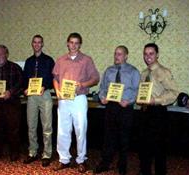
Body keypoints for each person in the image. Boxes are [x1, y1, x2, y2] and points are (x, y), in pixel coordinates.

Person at [52, 32, 99, 173]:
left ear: (80, 44)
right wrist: (58, 92)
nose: (73, 45)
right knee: (62, 130)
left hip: (79, 99)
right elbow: (55, 78)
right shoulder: (60, 60)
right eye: (71, 42)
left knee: (80, 130)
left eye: (76, 43)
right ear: (67, 43)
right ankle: (64, 159)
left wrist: (82, 84)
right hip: (63, 99)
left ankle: (81, 159)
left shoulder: (86, 60)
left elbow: (95, 78)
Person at [94, 45, 140, 175]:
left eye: (119, 54)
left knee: (124, 138)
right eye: (115, 54)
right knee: (108, 137)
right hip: (111, 107)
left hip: (125, 108)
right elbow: (103, 87)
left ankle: (122, 165)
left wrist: (129, 101)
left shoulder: (133, 71)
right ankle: (105, 163)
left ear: (126, 56)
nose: (116, 56)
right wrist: (102, 97)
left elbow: (137, 91)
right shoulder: (109, 70)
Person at [138, 43, 179, 175]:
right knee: (144, 148)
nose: (148, 56)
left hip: (158, 113)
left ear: (157, 55)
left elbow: (174, 92)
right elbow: (143, 92)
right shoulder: (144, 73)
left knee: (159, 149)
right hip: (144, 113)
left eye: (151, 53)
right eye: (145, 54)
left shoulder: (163, 71)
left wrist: (156, 100)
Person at [23, 35, 55, 167]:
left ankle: (47, 154)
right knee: (31, 125)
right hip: (31, 96)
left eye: (39, 42)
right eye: (34, 42)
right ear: (32, 44)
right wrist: (24, 89)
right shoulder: (28, 61)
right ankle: (33, 152)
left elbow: (53, 78)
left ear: (42, 44)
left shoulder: (48, 60)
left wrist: (44, 86)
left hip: (45, 94)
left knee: (47, 126)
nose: (37, 44)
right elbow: (25, 78)